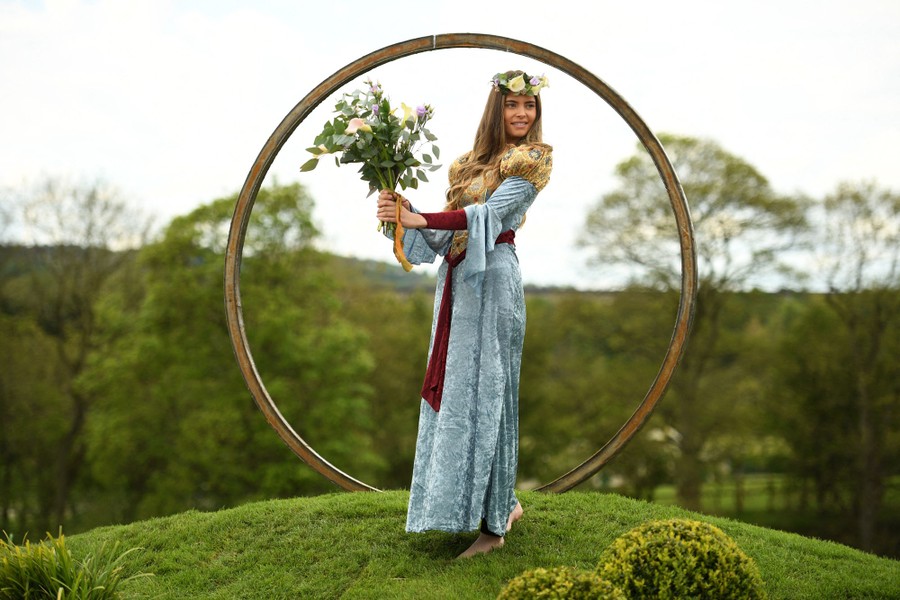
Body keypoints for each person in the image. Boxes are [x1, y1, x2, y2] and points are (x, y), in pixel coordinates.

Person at [375, 70, 552, 558]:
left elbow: (487, 219)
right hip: (456, 286)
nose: (521, 114)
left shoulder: (533, 159)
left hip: (493, 279)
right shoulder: (466, 166)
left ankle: (495, 524)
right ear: (496, 109)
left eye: (529, 105)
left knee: (491, 391)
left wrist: (422, 217)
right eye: (513, 104)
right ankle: (491, 503)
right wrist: (403, 210)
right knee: (458, 393)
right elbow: (446, 237)